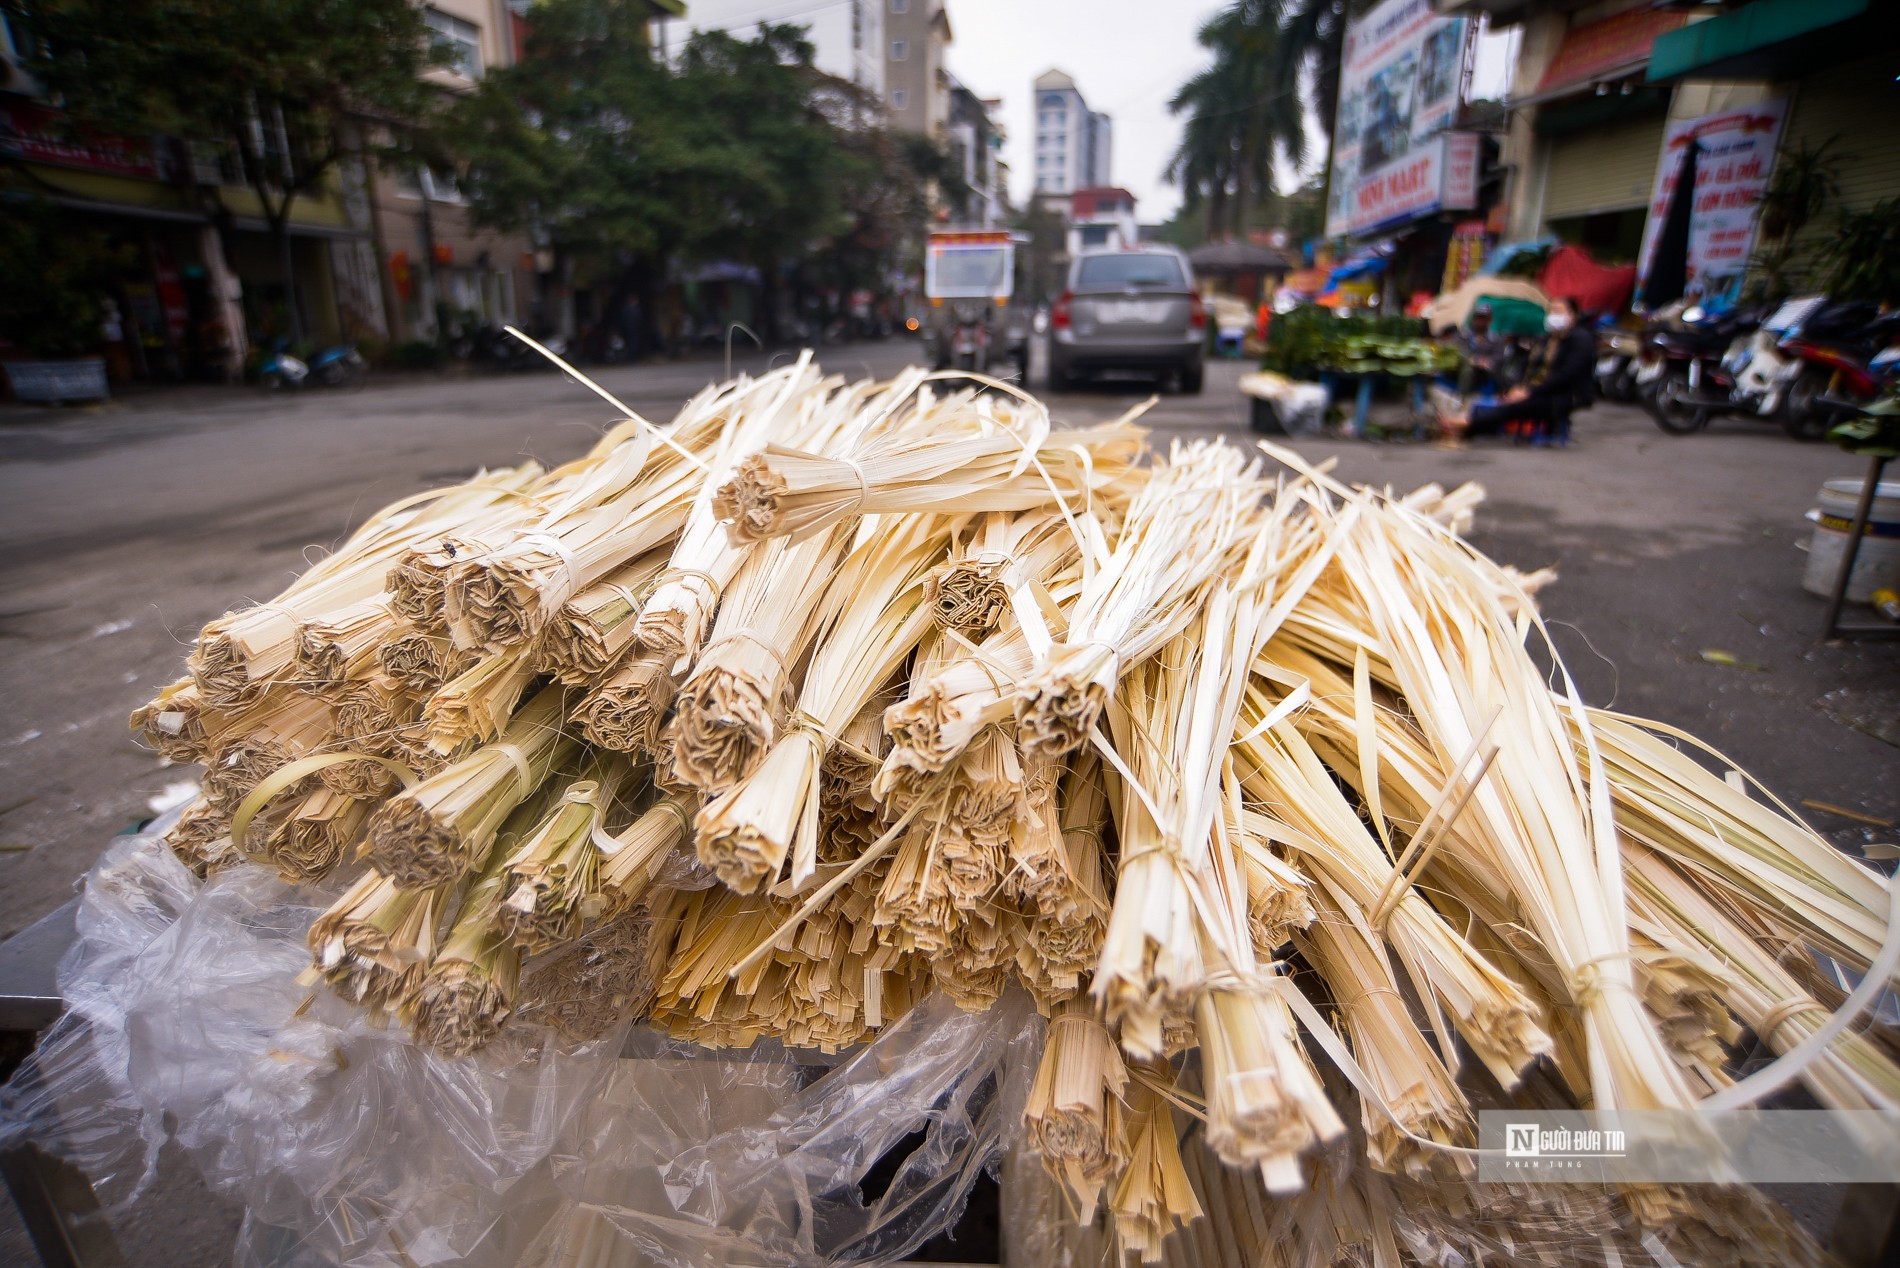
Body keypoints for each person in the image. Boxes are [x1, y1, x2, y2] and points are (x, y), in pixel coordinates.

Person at [1437, 296, 1594, 445]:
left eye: (1559, 311)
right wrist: (1516, 387)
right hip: (1537, 390)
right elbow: (1524, 366)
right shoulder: (1545, 339)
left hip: (1563, 396)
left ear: (1573, 315)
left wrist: (1529, 392)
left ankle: (1462, 425)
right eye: (1551, 311)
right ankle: (1463, 427)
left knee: (1513, 407)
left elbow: (1566, 375)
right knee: (1501, 400)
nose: (1553, 315)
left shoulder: (1580, 340)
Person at [1452, 301, 1508, 396]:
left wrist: (1488, 362)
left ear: (1489, 319)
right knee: (1468, 369)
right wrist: (1473, 360)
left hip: (1482, 373)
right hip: (1460, 369)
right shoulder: (1463, 334)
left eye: (1483, 318)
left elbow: (1499, 357)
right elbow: (1456, 349)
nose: (1480, 321)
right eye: (1478, 317)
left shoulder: (1495, 339)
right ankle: (1461, 397)